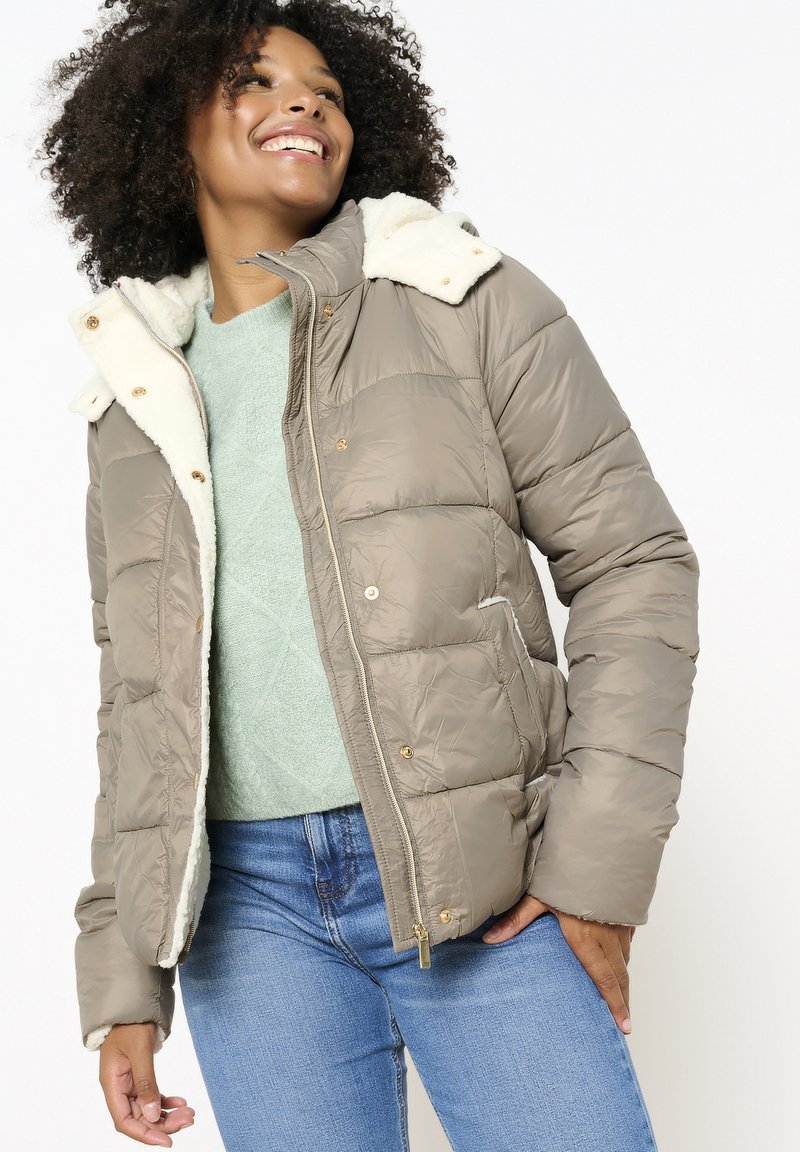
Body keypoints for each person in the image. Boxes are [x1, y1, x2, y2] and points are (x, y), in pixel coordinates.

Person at [38, 2, 700, 1149]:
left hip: (478, 870)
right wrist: (124, 977)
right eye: (253, 79)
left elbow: (634, 563)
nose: (302, 100)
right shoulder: (134, 394)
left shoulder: (460, 298)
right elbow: (137, 705)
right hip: (246, 916)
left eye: (328, 91)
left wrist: (592, 871)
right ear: (163, 129)